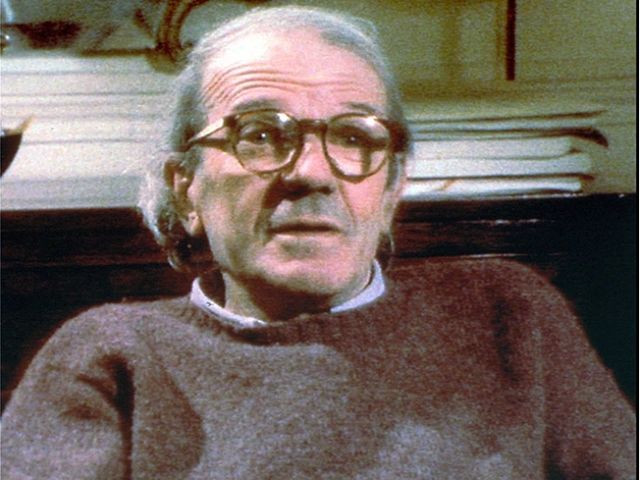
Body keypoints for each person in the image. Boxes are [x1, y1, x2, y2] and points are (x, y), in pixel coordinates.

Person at [1, 6, 635, 479]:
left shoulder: (509, 314)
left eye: (354, 137)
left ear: (392, 188)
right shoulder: (111, 354)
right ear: (186, 188)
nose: (312, 172)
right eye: (258, 135)